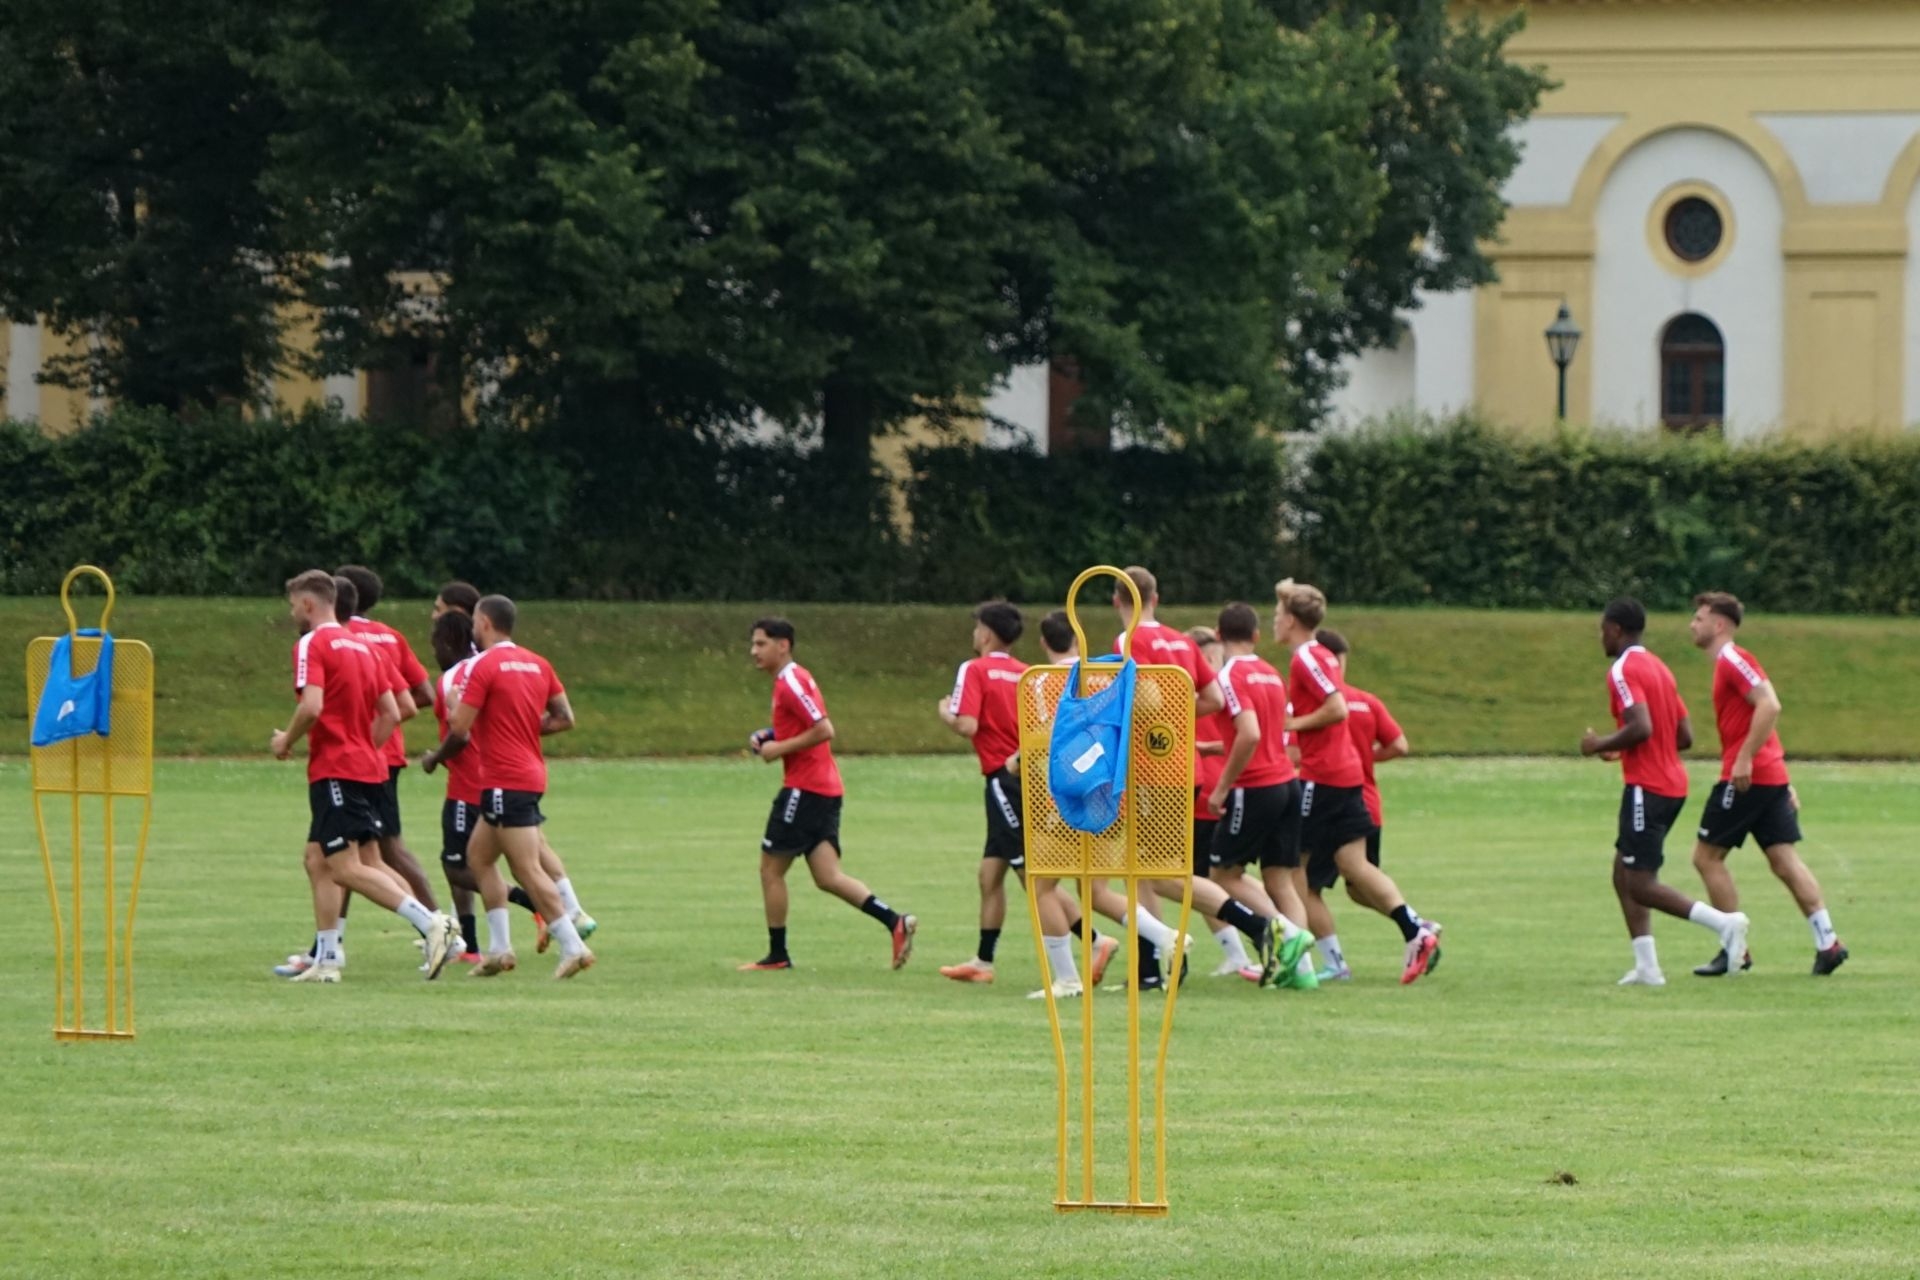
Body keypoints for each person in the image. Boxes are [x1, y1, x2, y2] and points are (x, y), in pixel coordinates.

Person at [270, 570, 461, 983]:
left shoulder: (312, 643)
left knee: (345, 867)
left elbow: (312, 706)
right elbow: (394, 711)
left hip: (335, 769)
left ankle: (433, 924)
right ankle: (328, 960)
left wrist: (286, 740)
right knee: (318, 859)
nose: (292, 613)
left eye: (293, 605)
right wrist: (362, 747)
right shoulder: (366, 648)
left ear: (308, 603)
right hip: (367, 766)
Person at [1276, 580, 1442, 985]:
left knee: (1294, 870)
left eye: (1278, 614)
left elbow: (1336, 708)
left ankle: (1305, 963)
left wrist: (1293, 723)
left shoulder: (1306, 657)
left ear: (1292, 621)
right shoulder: (1320, 653)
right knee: (1354, 865)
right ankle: (1415, 929)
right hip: (1349, 775)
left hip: (1323, 776)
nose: (1273, 622)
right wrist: (1287, 592)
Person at [1580, 596, 1749, 986]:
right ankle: (1647, 967)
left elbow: (1641, 727)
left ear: (1616, 629)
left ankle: (1724, 924)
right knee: (1623, 871)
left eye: (1602, 629)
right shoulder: (1659, 667)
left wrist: (1599, 744)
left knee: (1640, 883)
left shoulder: (1622, 670)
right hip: (1672, 784)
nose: (1600, 637)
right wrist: (1624, 749)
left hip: (1648, 786)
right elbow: (1683, 736)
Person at [424, 595, 594, 978]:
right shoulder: (538, 663)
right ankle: (499, 950)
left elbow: (460, 728)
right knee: (479, 859)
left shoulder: (483, 667)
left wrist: (450, 713)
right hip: (528, 773)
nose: (472, 629)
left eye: (474, 622)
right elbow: (564, 717)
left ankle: (573, 946)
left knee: (526, 869)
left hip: (504, 779)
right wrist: (520, 729)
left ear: (484, 622)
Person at [740, 618, 916, 972]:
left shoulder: (791, 681)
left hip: (805, 789)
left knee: (770, 871)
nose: (753, 651)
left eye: (761, 644)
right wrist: (771, 734)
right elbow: (804, 724)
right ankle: (895, 921)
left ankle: (777, 956)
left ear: (783, 645)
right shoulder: (791, 680)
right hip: (824, 789)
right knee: (828, 877)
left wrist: (777, 749)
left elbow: (823, 729)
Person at [1685, 592, 1847, 976]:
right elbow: (1761, 718)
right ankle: (1827, 943)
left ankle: (1735, 949)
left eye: (1699, 618)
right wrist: (1781, 779)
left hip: (1745, 777)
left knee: (1706, 857)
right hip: (1767, 775)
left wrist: (1744, 759)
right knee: (1783, 859)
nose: (1692, 624)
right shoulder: (1727, 663)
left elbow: (1770, 705)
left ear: (1719, 625)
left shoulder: (1733, 659)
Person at [1110, 565, 1223, 989]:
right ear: (1155, 598)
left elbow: (1147, 701)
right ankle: (1151, 966)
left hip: (1150, 770)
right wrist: (1179, 716)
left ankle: (1260, 924)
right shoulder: (1182, 640)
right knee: (1148, 872)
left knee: (1155, 874)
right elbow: (1214, 698)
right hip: (1185, 768)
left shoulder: (1128, 639)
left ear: (1117, 600)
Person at [1207, 603, 1318, 988]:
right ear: (1255, 636)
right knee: (1279, 879)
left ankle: (1285, 934)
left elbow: (1250, 733)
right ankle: (1301, 972)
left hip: (1254, 786)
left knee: (1223, 874)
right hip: (1287, 783)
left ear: (1218, 635)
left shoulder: (1229, 675)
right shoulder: (1271, 673)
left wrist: (1223, 786)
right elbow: (1275, 732)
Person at [1021, 610, 1123, 999]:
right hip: (1106, 792)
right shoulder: (1103, 676)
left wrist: (1018, 760)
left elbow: (1047, 737)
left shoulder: (1043, 680)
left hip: (1067, 794)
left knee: (1041, 884)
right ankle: (1159, 936)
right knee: (1097, 890)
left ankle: (1066, 978)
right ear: (1079, 640)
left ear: (1044, 642)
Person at [1304, 628, 1410, 982]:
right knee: (1356, 884)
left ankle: (1334, 962)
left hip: (1327, 797)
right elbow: (1400, 745)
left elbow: (1294, 752)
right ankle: (1414, 924)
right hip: (1366, 802)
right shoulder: (1367, 701)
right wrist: (1367, 758)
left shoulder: (1314, 705)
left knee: (1305, 884)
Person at [337, 565, 440, 917]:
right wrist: (386, 713)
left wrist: (363, 723)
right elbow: (424, 694)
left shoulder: (339, 637)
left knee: (383, 849)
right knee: (350, 851)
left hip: (355, 755)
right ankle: (329, 940)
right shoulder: (390, 636)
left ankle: (439, 923)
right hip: (388, 752)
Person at [1189, 626, 1258, 980]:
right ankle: (1248, 946)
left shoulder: (1200, 693)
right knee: (1219, 877)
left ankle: (1246, 946)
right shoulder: (1231, 687)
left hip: (1207, 794)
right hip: (1229, 789)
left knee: (1198, 883)